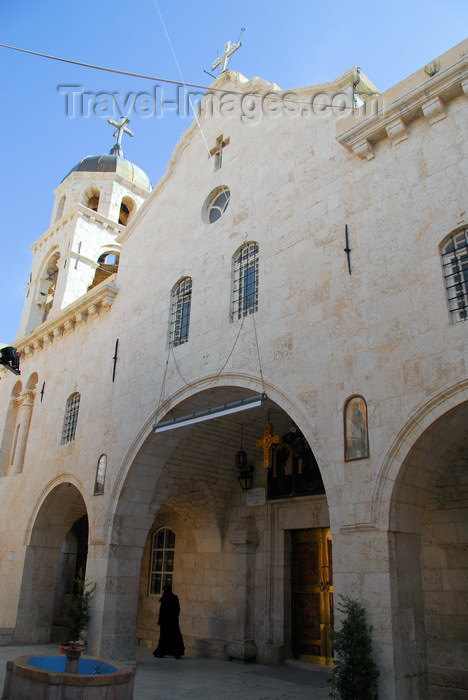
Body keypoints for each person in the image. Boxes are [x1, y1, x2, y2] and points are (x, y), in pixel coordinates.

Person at [153, 583, 185, 659]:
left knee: (164, 637)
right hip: (173, 622)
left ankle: (162, 652)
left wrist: (160, 621)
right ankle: (177, 653)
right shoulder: (175, 598)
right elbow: (178, 609)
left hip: (165, 623)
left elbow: (162, 611)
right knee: (175, 637)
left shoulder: (165, 598)